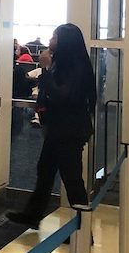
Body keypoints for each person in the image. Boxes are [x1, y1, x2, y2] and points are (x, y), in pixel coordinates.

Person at [7, 23, 96, 230]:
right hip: (58, 129)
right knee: (45, 171)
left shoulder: (76, 67)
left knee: (72, 180)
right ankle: (32, 215)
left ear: (64, 41)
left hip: (69, 131)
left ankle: (83, 230)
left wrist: (45, 70)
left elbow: (62, 96)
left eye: (54, 36)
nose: (50, 40)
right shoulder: (64, 63)